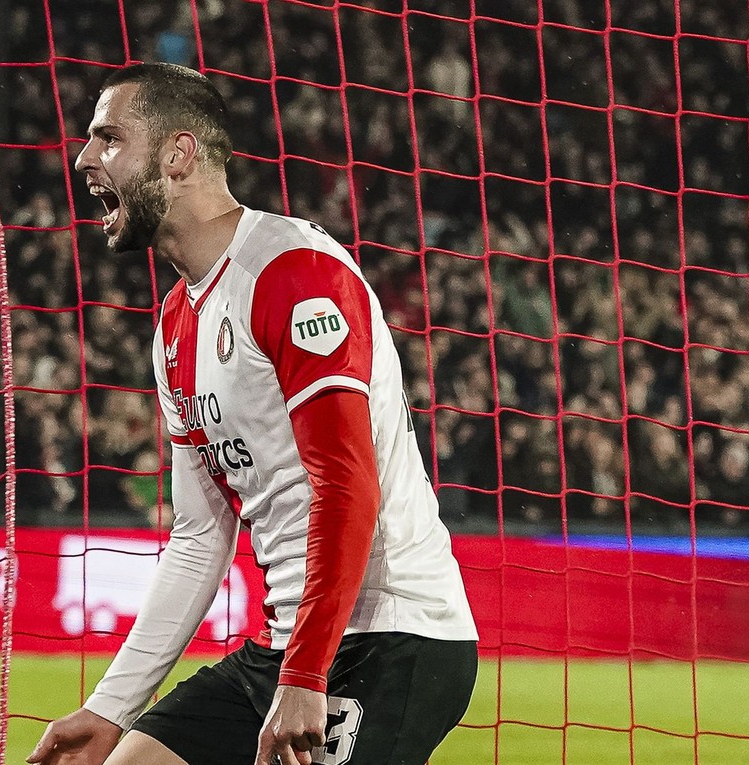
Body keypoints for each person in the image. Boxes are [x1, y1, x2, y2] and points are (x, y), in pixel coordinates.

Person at [27, 62, 478, 765]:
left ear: (178, 155)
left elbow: (347, 489)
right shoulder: (175, 327)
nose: (85, 158)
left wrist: (304, 676)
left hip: (394, 636)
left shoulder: (293, 273)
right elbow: (199, 536)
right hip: (286, 647)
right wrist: (110, 707)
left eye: (109, 138)